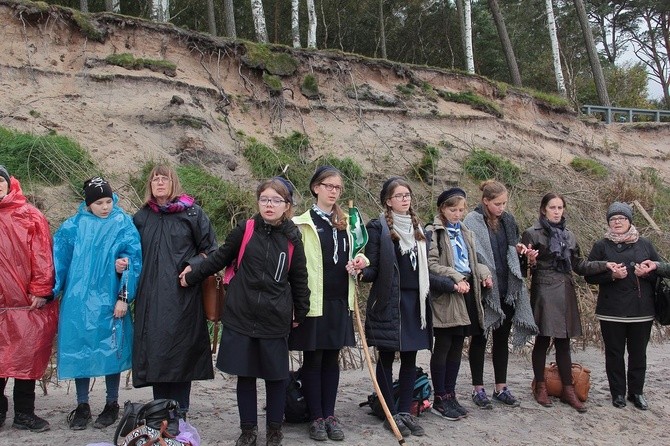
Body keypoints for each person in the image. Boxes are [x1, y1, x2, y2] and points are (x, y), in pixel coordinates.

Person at [179, 177, 310, 446]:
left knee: (276, 378)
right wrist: (193, 274)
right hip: (240, 314)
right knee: (246, 376)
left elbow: (299, 279)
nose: (269, 205)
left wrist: (301, 312)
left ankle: (274, 430)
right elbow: (220, 257)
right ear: (258, 202)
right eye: (264, 199)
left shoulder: (293, 240)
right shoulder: (246, 229)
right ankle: (248, 430)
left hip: (275, 317)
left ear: (287, 206)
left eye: (276, 200)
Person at [53, 177, 142, 430]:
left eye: (108, 201)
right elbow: (59, 261)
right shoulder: (73, 227)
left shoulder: (122, 223)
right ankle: (82, 405)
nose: (106, 207)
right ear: (88, 203)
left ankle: (112, 403)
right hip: (77, 301)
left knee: (111, 350)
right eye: (99, 202)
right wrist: (51, 290)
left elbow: (133, 260)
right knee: (81, 350)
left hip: (111, 299)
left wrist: (124, 296)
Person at [132, 164, 217, 417]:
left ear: (173, 183)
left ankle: (181, 409)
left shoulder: (192, 214)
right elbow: (130, 250)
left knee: (182, 352)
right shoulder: (141, 217)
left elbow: (211, 249)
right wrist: (122, 261)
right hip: (150, 295)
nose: (159, 183)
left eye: (164, 179)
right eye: (155, 179)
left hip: (183, 296)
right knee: (156, 352)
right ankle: (162, 408)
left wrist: (194, 265)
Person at [351, 177, 432, 437]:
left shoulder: (420, 229)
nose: (405, 199)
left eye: (407, 194)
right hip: (389, 302)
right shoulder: (378, 228)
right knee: (386, 357)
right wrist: (361, 270)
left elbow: (427, 271)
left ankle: (406, 410)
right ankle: (390, 412)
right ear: (388, 200)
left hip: (415, 304)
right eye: (399, 195)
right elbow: (373, 268)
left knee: (410, 358)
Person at [521, 193, 614, 413]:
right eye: (552, 207)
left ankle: (569, 391)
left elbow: (580, 265)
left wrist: (605, 265)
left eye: (560, 207)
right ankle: (541, 387)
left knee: (563, 341)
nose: (556, 211)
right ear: (543, 209)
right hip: (543, 288)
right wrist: (530, 260)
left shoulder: (569, 236)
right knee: (542, 339)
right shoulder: (531, 233)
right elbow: (523, 269)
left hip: (566, 289)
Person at [288, 166, 359, 441]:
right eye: (328, 186)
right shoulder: (301, 223)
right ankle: (315, 416)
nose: (333, 191)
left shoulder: (347, 223)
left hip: (340, 301)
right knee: (313, 361)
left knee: (332, 360)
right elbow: (295, 267)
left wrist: (360, 262)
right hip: (313, 302)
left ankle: (329, 414)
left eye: (338, 187)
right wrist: (296, 303)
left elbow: (360, 253)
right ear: (316, 187)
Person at [462, 180, 537, 408]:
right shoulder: (471, 221)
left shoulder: (508, 220)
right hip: (484, 291)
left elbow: (512, 248)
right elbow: (471, 256)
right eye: (497, 203)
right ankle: (478, 389)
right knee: (480, 339)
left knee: (502, 340)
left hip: (507, 290)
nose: (501, 207)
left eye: (504, 203)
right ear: (485, 201)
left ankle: (501, 387)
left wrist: (521, 251)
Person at [584, 201, 659, 410]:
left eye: (622, 218)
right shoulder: (602, 245)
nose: (617, 222)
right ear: (608, 223)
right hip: (611, 310)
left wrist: (648, 272)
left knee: (638, 353)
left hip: (641, 310)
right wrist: (611, 275)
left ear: (629, 221)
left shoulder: (645, 244)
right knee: (614, 353)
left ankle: (637, 393)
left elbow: (660, 271)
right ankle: (617, 393)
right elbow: (589, 276)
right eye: (613, 219)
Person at [0, 165, 58, 433]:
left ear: (8, 182)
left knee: (27, 359)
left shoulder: (30, 216)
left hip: (25, 302)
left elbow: (42, 254)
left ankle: (24, 413)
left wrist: (41, 288)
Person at [426, 187, 492, 420]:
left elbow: (473, 261)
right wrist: (455, 277)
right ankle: (439, 397)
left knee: (457, 346)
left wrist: (483, 273)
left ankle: (451, 394)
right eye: (452, 209)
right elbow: (431, 264)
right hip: (447, 294)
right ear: (442, 209)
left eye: (461, 209)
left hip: (467, 293)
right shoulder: (433, 232)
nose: (457, 214)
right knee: (443, 345)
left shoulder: (465, 231)